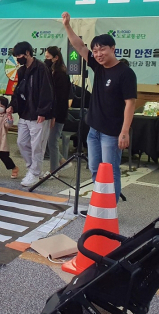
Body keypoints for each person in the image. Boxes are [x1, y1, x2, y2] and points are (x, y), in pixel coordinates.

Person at [62, 12, 137, 210]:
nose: (98, 54)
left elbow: (130, 103)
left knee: (110, 171)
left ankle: (108, 210)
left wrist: (124, 131)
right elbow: (79, 46)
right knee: (95, 169)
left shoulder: (125, 73)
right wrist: (67, 26)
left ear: (113, 48)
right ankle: (100, 204)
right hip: (94, 129)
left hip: (111, 133)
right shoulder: (99, 67)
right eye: (95, 51)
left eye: (102, 49)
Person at [6, 41, 54, 187]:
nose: (17, 58)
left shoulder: (41, 68)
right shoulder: (21, 71)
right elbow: (18, 91)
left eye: (19, 55)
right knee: (21, 142)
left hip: (38, 115)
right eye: (15, 56)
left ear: (27, 53)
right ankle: (32, 169)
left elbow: (47, 92)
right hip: (25, 114)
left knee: (37, 146)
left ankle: (34, 173)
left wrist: (43, 111)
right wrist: (12, 106)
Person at [43, 46, 73, 177]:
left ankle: (53, 171)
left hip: (58, 112)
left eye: (48, 57)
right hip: (53, 111)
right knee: (50, 141)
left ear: (56, 58)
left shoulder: (61, 74)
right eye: (45, 57)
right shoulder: (52, 71)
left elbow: (60, 97)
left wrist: (54, 115)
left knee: (53, 141)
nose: (46, 60)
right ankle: (63, 162)